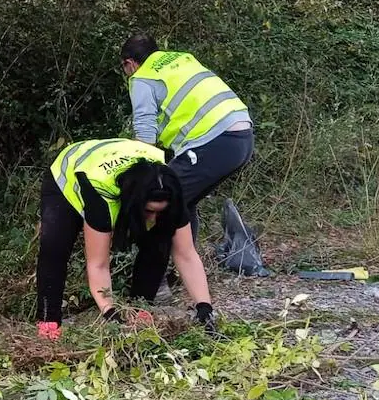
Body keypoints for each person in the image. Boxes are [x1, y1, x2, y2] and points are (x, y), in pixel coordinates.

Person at [35, 138, 218, 339]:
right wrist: (110, 311)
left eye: (159, 212)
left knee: (160, 240)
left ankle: (140, 311)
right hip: (70, 172)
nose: (153, 218)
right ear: (134, 203)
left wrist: (204, 307)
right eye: (149, 211)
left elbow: (187, 255)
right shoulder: (101, 199)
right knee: (55, 248)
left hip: (121, 159)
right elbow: (98, 264)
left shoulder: (169, 190)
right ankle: (48, 325)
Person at [120, 32, 254, 243]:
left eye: (125, 69)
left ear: (129, 63)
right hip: (242, 135)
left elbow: (145, 136)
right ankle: (185, 267)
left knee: (156, 199)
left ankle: (153, 273)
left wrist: (138, 177)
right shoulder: (182, 59)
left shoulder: (142, 77)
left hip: (213, 140)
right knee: (182, 199)